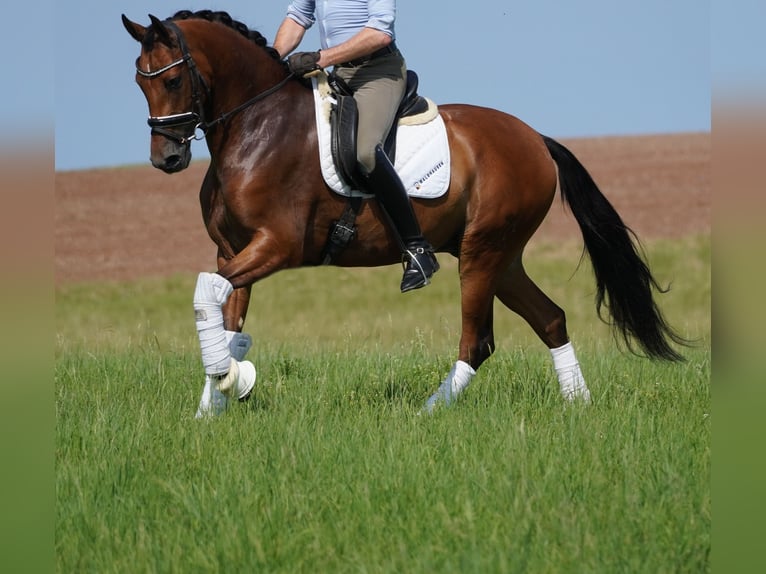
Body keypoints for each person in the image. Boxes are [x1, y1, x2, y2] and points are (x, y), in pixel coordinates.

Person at [273, 0, 439, 293]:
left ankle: (418, 248)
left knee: (365, 152)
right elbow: (298, 18)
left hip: (379, 72)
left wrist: (320, 58)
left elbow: (380, 32)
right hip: (338, 74)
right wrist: (272, 62)